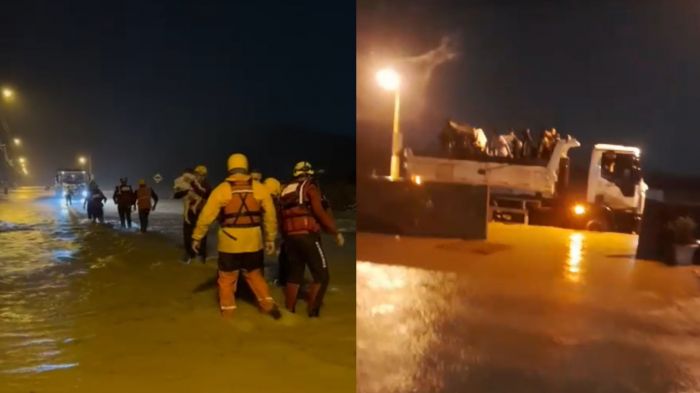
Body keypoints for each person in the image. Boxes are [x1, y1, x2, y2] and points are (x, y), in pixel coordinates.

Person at [192, 153, 281, 319]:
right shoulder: (259, 188)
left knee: (226, 278)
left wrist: (197, 237)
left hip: (229, 243)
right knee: (254, 275)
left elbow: (206, 216)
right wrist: (270, 239)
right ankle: (268, 306)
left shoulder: (222, 189)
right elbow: (270, 216)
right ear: (245, 166)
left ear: (229, 168)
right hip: (254, 241)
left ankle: (228, 315)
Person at [280, 161, 344, 317]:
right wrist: (335, 232)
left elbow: (280, 218)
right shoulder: (310, 187)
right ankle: (313, 315)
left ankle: (289, 311)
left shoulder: (284, 191)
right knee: (322, 276)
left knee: (295, 274)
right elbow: (319, 212)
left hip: (290, 238)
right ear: (309, 173)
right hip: (308, 236)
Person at [174, 165, 211, 263]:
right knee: (187, 234)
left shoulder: (207, 185)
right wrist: (184, 190)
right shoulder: (189, 183)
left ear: (204, 176)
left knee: (202, 234)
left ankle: (202, 254)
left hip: (202, 213)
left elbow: (205, 194)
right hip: (190, 212)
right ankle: (189, 253)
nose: (199, 177)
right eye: (197, 174)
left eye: (201, 175)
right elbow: (177, 195)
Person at [263, 177, 287, 286]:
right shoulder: (277, 201)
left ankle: (267, 279)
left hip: (262, 233)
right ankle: (279, 280)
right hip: (276, 233)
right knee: (280, 256)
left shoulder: (261, 199)